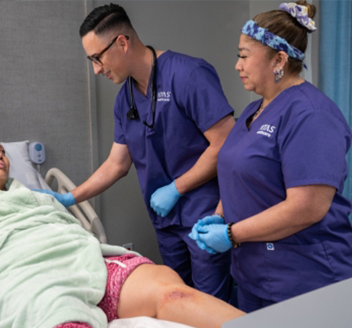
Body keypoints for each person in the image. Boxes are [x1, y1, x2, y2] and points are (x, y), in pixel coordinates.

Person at [0, 133, 244, 328]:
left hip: (86, 262)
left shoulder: (35, 198)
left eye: (2, 150)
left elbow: (73, 231)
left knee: (174, 291)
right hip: (22, 280)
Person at [37, 3, 236, 301]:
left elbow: (225, 142)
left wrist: (176, 188)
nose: (96, 69)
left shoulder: (188, 75)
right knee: (178, 299)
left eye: (97, 58)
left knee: (211, 302)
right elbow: (117, 164)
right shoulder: (125, 99)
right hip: (165, 222)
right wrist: (71, 197)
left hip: (203, 216)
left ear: (122, 42)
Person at [189, 1, 352, 313]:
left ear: (279, 59)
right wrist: (220, 216)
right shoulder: (253, 110)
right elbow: (236, 172)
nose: (237, 65)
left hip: (306, 280)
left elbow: (307, 208)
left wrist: (231, 233)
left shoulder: (311, 115)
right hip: (253, 274)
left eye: (244, 56)